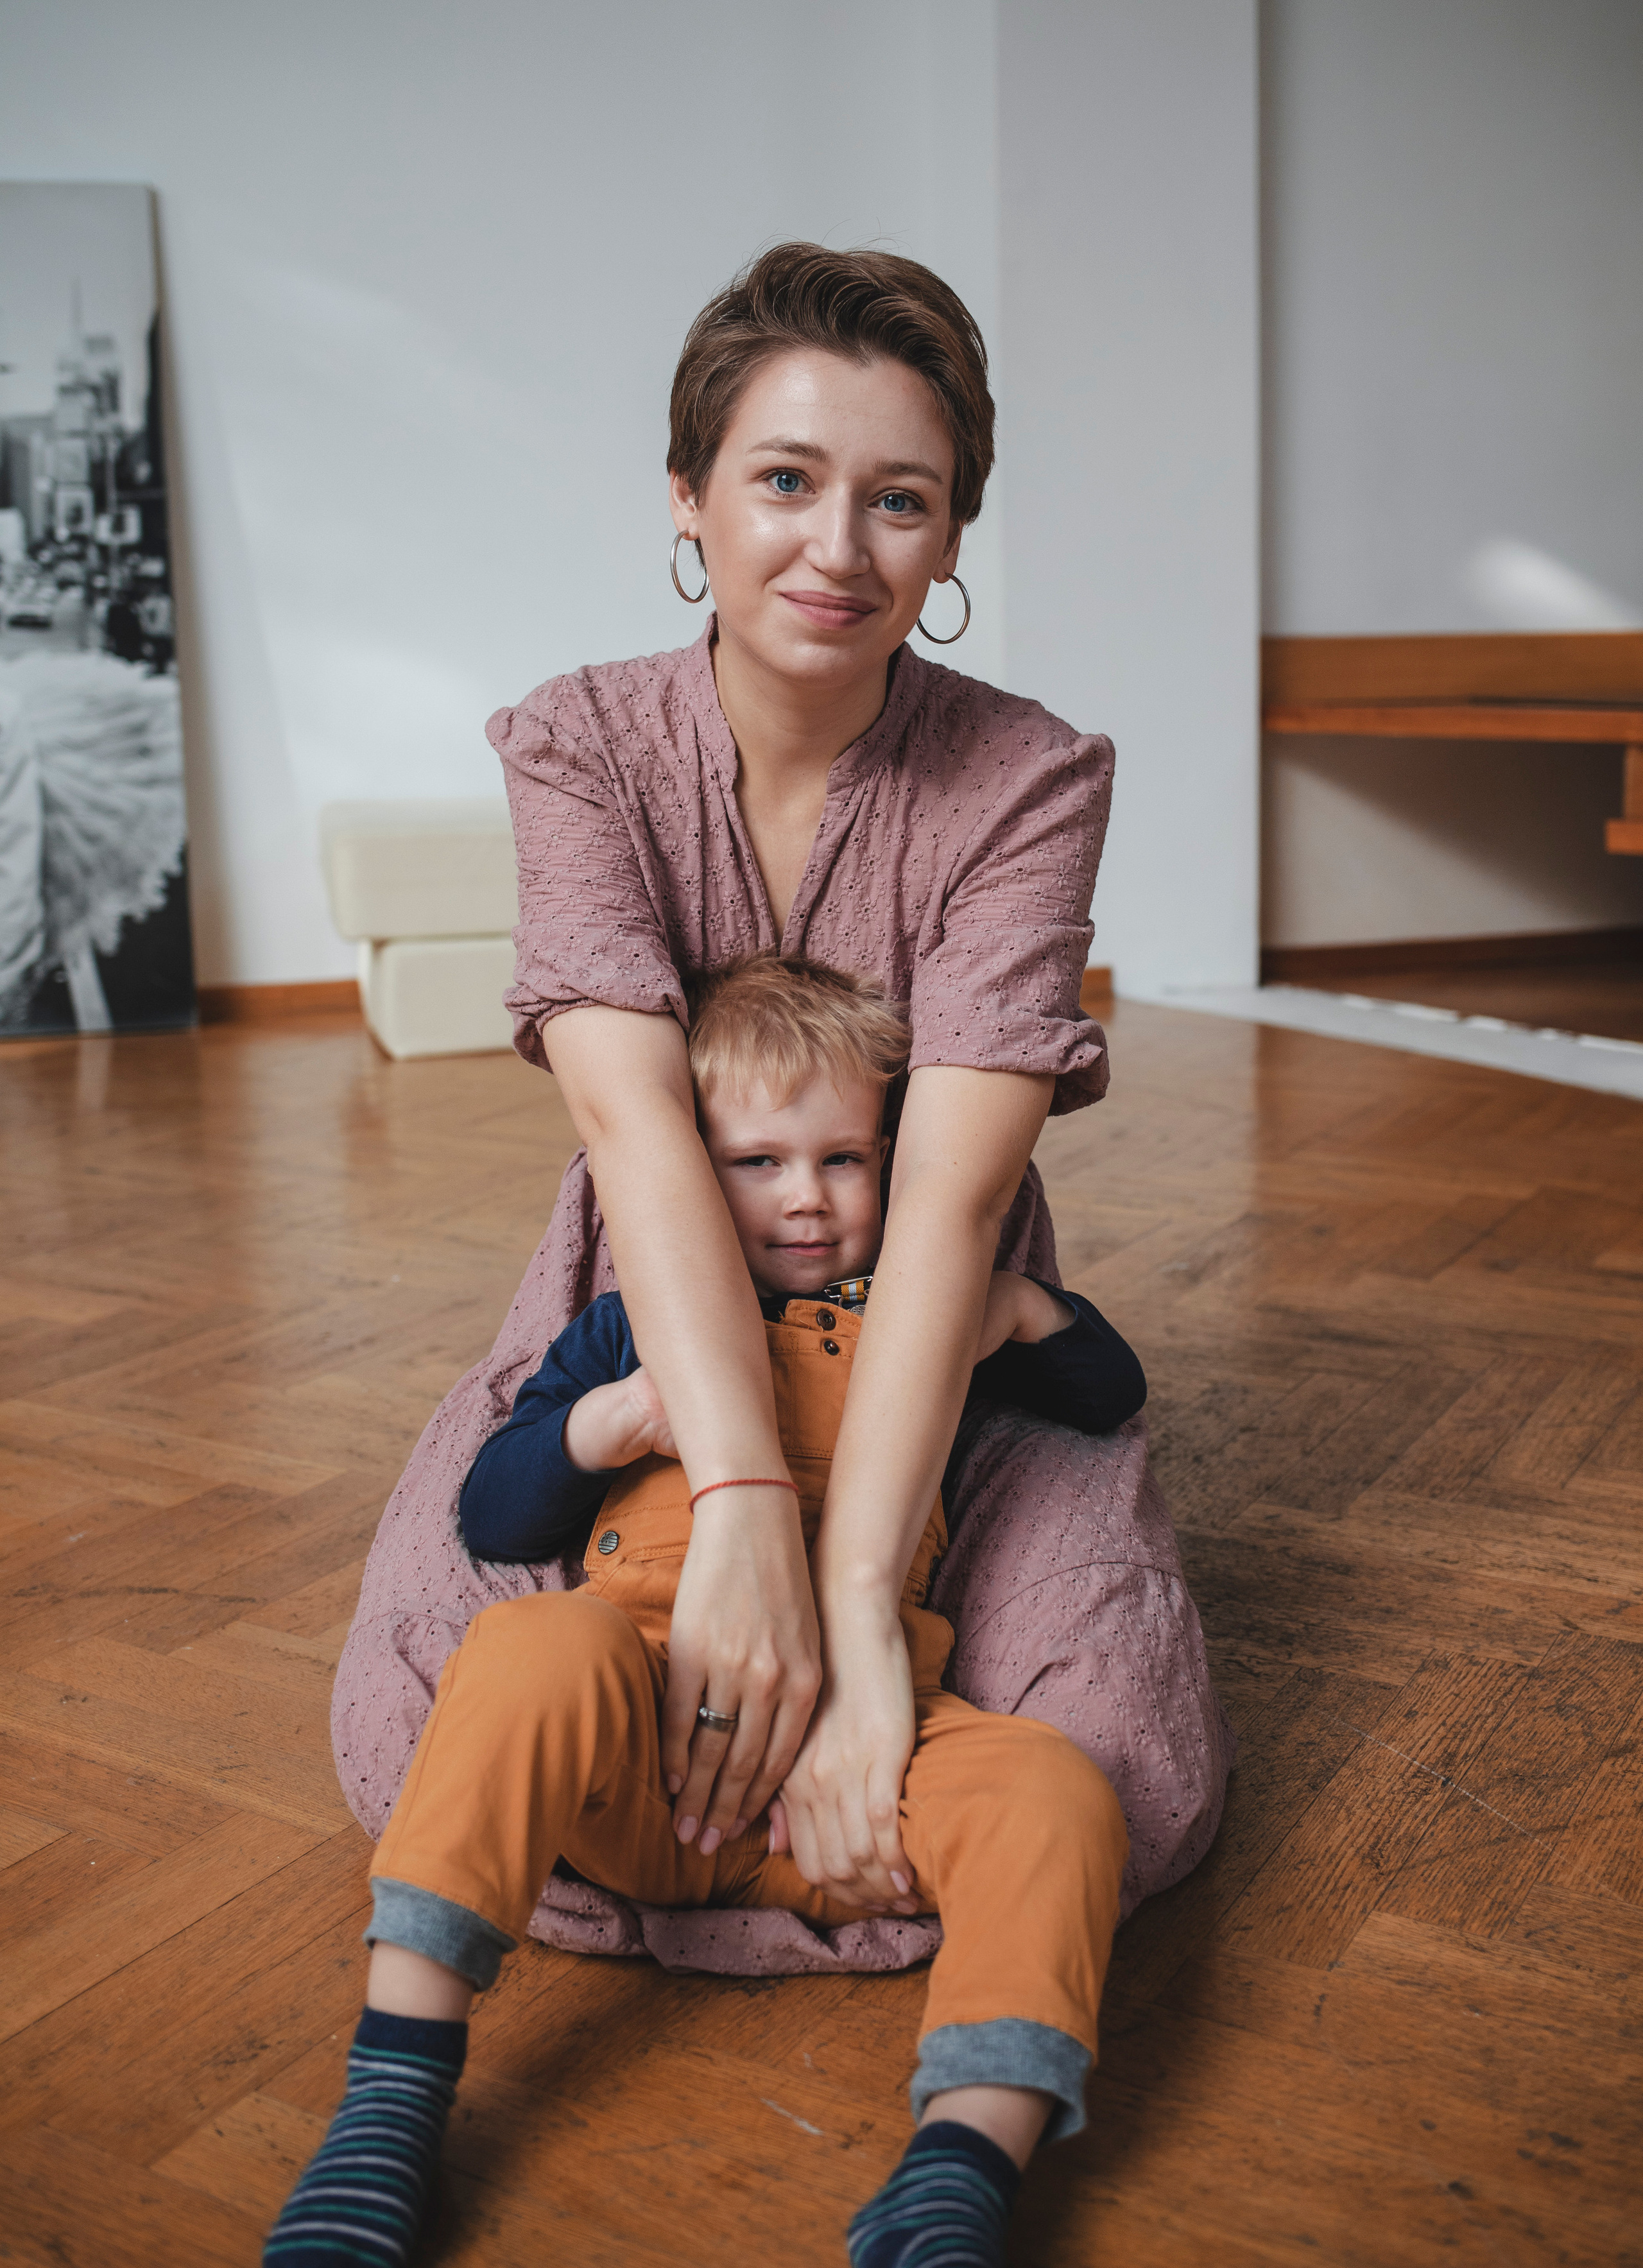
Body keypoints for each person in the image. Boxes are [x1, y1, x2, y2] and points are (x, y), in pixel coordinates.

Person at [332, 241, 1230, 2000]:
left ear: (957, 534)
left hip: (934, 1329)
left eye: (903, 499)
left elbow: (955, 1208)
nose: (839, 549)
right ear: (688, 495)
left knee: (1127, 1756)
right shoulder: (582, 740)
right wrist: (740, 1497)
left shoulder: (1035, 775)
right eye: (785, 481)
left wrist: (857, 1604)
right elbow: (637, 1125)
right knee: (434, 1693)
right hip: (654, 1297)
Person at [269, 954, 1141, 2268]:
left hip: (855, 1778)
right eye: (756, 1163)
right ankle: (392, 2097)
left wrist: (1013, 1308)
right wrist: (603, 1424)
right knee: (526, 1648)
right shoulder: (629, 1329)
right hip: (640, 1748)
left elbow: (1106, 1396)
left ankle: (961, 2166)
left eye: (844, 1160)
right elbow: (492, 1519)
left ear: (894, 1162)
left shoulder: (919, 1319)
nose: (804, 1198)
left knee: (1055, 1790)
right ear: (686, 1170)